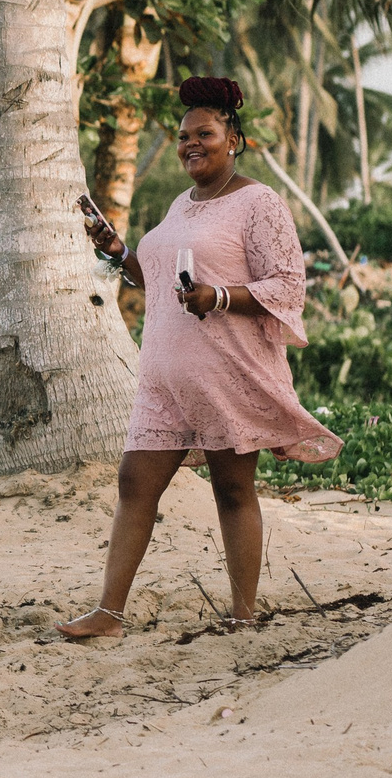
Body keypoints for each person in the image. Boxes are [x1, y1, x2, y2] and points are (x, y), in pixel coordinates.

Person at [62, 77, 341, 639]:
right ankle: (109, 613)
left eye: (204, 133)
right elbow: (163, 279)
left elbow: (288, 285)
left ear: (232, 138)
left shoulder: (259, 202)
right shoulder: (179, 204)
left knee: (233, 490)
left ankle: (243, 614)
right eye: (184, 135)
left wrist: (218, 297)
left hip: (226, 371)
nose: (190, 143)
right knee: (134, 482)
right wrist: (120, 252)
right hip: (164, 377)